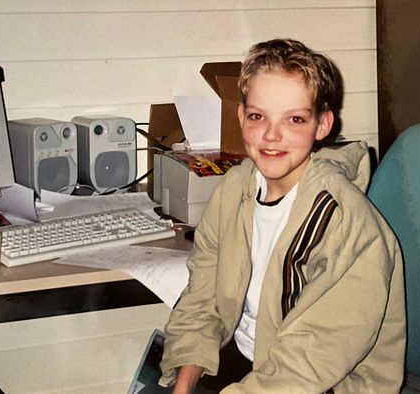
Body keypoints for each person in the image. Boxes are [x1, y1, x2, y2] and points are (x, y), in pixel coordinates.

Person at [158, 39, 406, 393]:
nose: (272, 135)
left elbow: (307, 362)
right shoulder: (232, 191)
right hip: (252, 362)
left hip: (325, 382)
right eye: (258, 116)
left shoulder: (346, 223)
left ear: (322, 126)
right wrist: (182, 387)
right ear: (242, 118)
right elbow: (202, 301)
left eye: (294, 119)